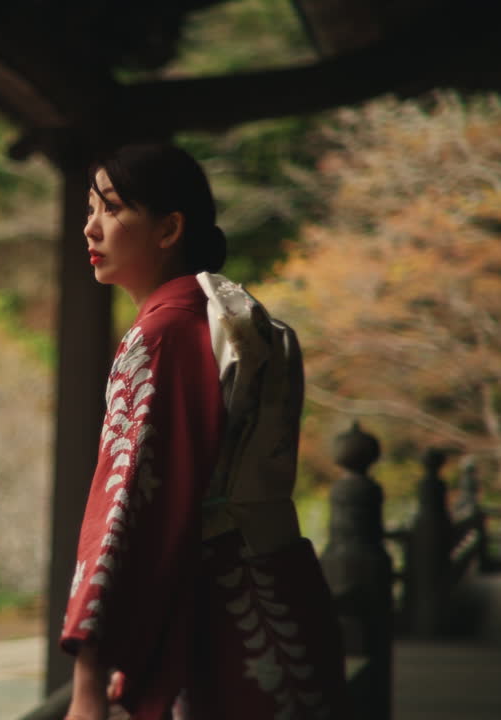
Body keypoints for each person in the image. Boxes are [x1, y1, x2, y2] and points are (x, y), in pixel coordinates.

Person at [61, 143, 349, 720]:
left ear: (169, 228)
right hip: (287, 606)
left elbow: (122, 509)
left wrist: (86, 683)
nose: (89, 227)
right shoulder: (241, 320)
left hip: (222, 625)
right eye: (89, 207)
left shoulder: (163, 334)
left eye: (110, 208)